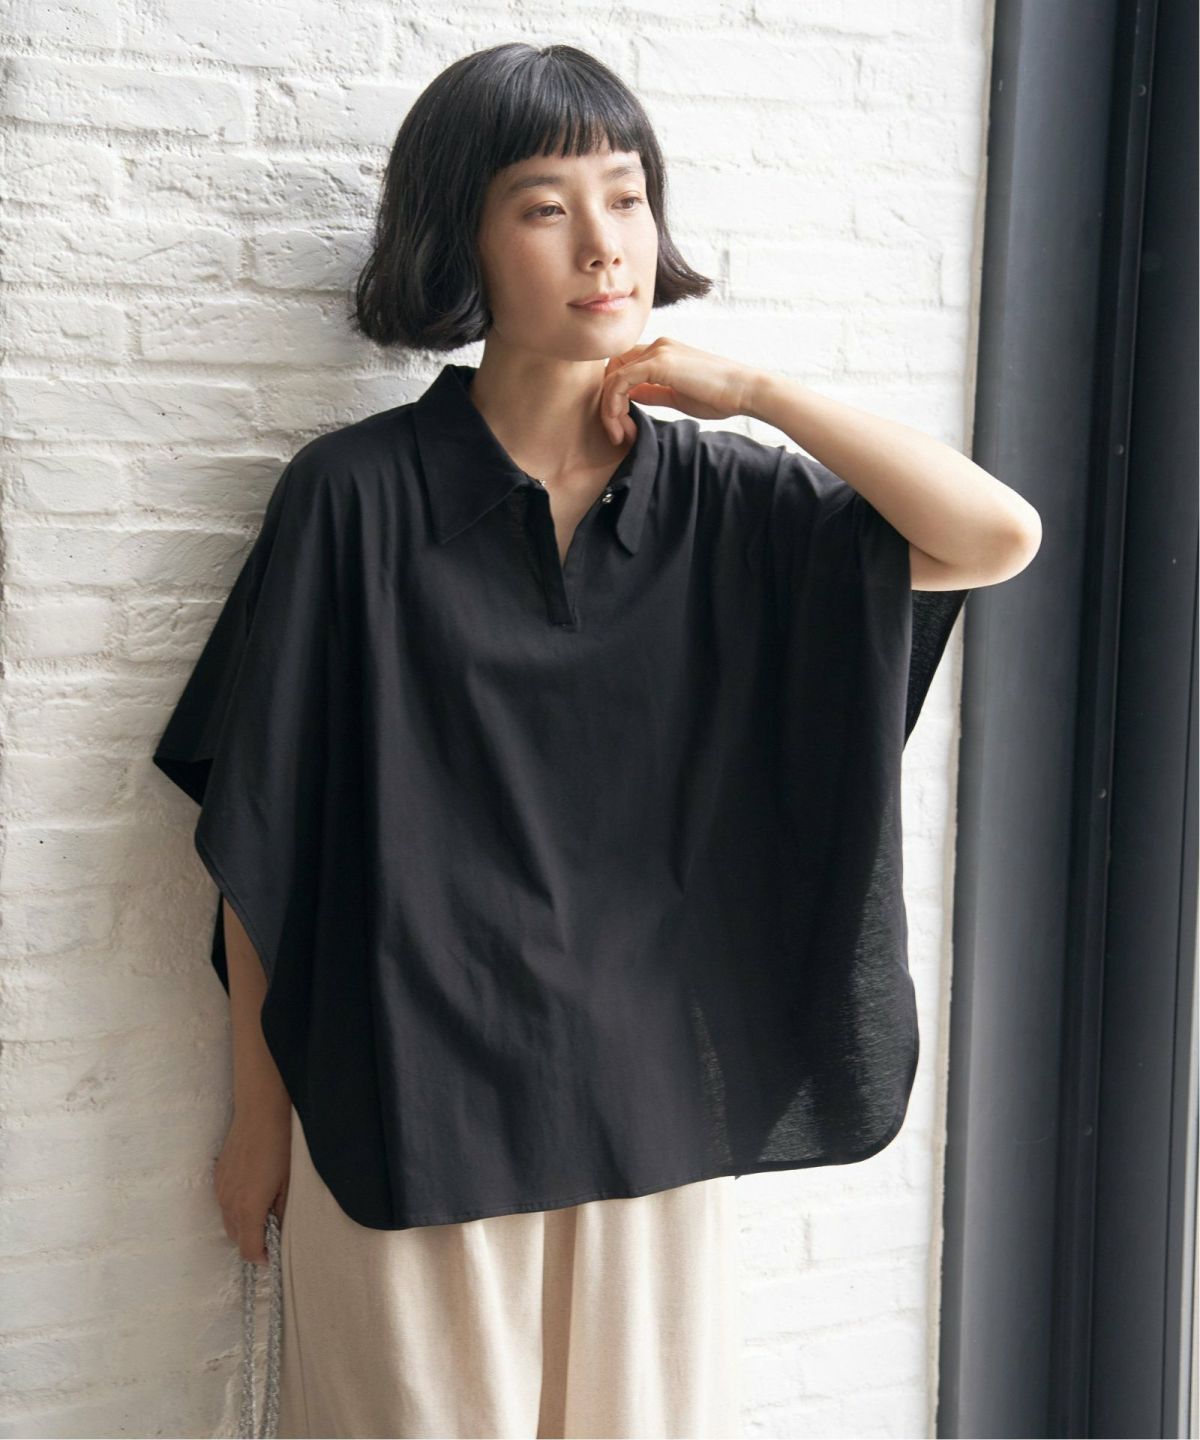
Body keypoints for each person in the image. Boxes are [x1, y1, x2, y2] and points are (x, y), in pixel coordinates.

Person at [153, 40, 1040, 1440]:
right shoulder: (354, 498)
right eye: (542, 204)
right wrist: (258, 1114)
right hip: (404, 1101)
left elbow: (995, 535)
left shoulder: (726, 504)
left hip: (647, 1113)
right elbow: (269, 827)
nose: (601, 242)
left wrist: (756, 392)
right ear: (461, 236)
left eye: (624, 197)